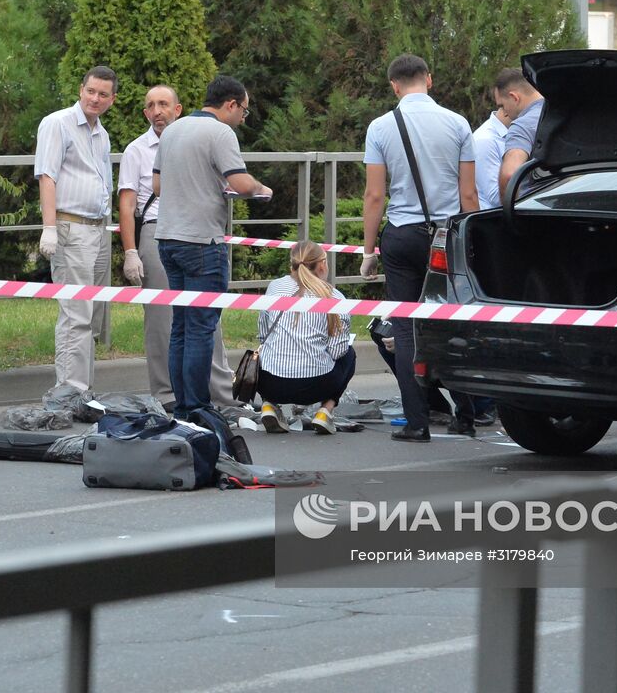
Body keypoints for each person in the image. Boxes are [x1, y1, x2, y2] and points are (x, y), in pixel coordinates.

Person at [360, 54, 478, 442]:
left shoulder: (380, 127)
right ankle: (466, 413)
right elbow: (469, 193)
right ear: (429, 79)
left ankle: (417, 421)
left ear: (394, 85)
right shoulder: (458, 123)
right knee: (450, 323)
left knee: (407, 329)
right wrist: (471, 243)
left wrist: (368, 251)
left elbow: (375, 195)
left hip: (403, 235)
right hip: (447, 236)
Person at [153, 75, 271, 428]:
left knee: (181, 327)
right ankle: (198, 407)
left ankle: (182, 409)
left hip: (168, 238)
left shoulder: (172, 130)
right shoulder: (221, 133)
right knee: (202, 328)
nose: (242, 119)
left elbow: (158, 186)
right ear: (231, 104)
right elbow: (240, 183)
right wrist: (261, 189)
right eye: (244, 112)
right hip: (203, 242)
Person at [117, 85, 239, 412]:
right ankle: (168, 397)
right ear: (145, 113)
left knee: (204, 323)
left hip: (197, 232)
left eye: (163, 104)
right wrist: (131, 251)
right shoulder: (136, 150)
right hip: (160, 232)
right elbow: (127, 206)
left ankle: (218, 397)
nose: (157, 111)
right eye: (151, 106)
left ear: (178, 109)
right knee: (163, 323)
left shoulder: (196, 137)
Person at [34, 66, 116, 392]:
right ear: (81, 89)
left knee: (91, 317)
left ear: (112, 99)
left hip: (98, 230)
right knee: (75, 315)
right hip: (70, 228)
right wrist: (49, 228)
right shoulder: (57, 123)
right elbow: (47, 176)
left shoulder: (101, 133)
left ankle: (83, 391)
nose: (95, 99)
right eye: (91, 91)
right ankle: (69, 392)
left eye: (103, 94)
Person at [255, 241, 356, 436]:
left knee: (263, 354)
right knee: (349, 355)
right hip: (317, 385)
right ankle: (325, 411)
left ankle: (269, 405)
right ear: (321, 265)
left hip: (271, 383)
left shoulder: (274, 287)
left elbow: (263, 334)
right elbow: (337, 352)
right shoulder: (335, 298)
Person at [495, 68, 546, 199]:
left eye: (502, 105)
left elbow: (509, 175)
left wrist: (510, 215)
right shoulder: (565, 117)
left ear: (514, 97)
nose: (504, 113)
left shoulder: (522, 126)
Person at [471, 71, 517, 209]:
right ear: (516, 99)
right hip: (498, 222)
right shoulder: (485, 140)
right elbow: (496, 197)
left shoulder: (515, 133)